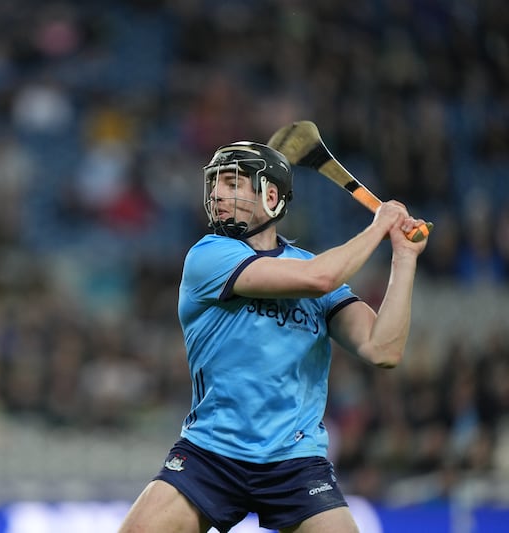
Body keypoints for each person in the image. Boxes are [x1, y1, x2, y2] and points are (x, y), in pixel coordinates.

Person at [118, 141, 428, 533]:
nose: (217, 194)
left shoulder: (310, 267)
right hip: (212, 453)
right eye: (215, 184)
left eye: (233, 183)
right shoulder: (209, 256)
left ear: (270, 195)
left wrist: (403, 257)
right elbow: (320, 279)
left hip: (296, 461)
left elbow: (383, 348)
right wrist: (379, 225)